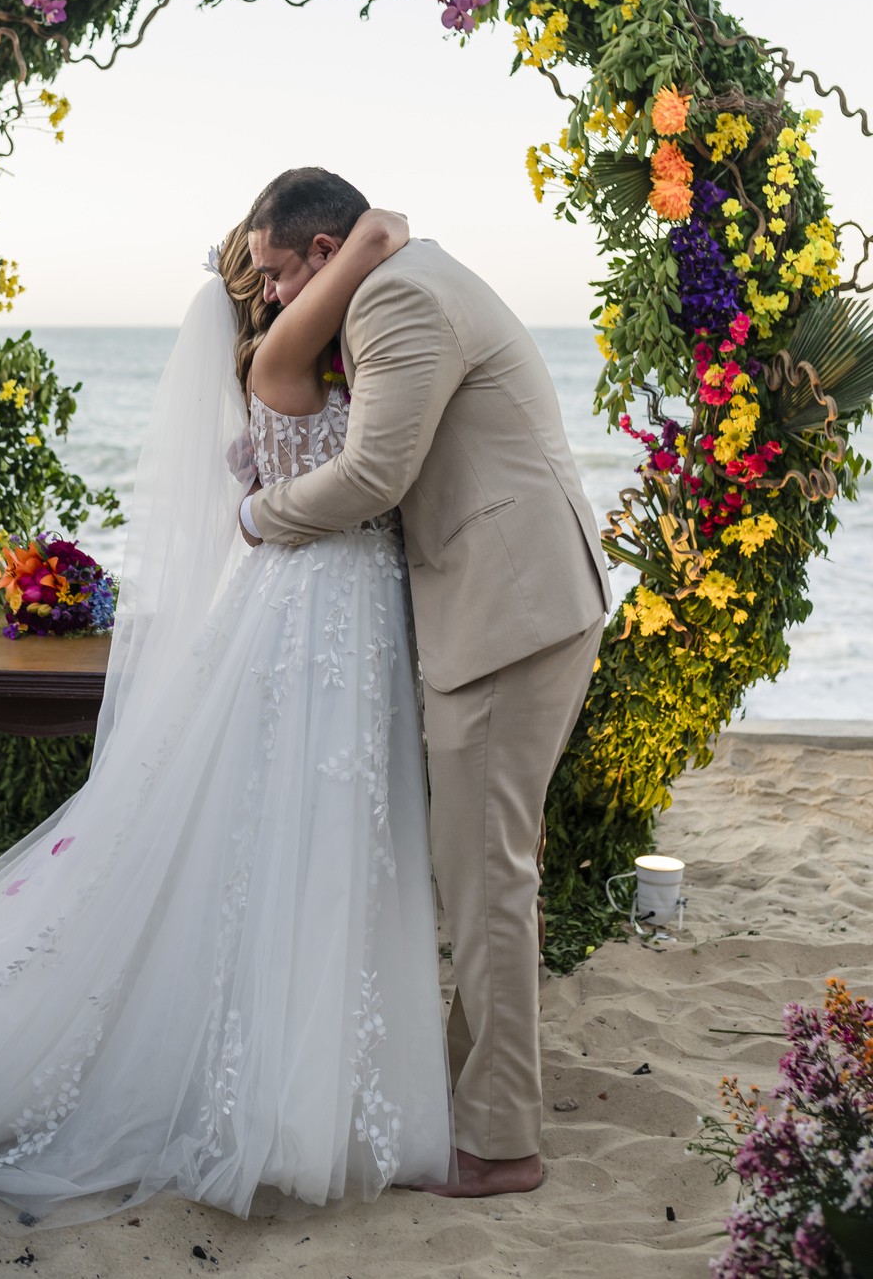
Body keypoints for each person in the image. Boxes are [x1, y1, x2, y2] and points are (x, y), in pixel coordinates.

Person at [0, 189, 454, 1225]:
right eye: (268, 283)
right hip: (319, 611)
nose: (278, 296)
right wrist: (384, 234)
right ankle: (285, 1096)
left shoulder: (312, 364)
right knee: (303, 835)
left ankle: (320, 1085)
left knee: (334, 837)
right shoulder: (281, 359)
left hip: (346, 613)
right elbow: (373, 239)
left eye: (282, 279)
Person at [241, 167, 610, 1200]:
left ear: (325, 252)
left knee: (487, 877)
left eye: (276, 273)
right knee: (485, 868)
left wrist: (255, 519)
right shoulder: (410, 276)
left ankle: (497, 1144)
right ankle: (477, 1097)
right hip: (521, 594)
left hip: (509, 610)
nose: (271, 295)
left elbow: (373, 476)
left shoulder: (395, 295)